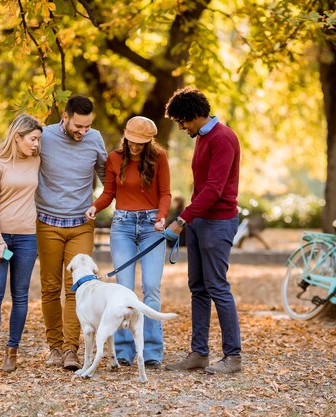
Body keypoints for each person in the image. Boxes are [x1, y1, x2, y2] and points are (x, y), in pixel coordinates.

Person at [0, 96, 107, 371]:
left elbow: (107, 178)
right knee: (50, 288)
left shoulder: (95, 139)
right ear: (64, 117)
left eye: (87, 126)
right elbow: (15, 158)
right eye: (78, 126)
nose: (83, 132)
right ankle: (54, 348)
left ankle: (71, 350)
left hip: (81, 225)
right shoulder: (45, 138)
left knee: (78, 286)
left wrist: (97, 205)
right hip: (47, 223)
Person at [163, 87, 243, 374]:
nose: (182, 127)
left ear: (194, 115)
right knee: (198, 288)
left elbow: (214, 189)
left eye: (182, 121)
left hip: (218, 222)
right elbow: (201, 188)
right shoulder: (204, 136)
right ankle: (199, 353)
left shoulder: (223, 137)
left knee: (218, 287)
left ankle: (233, 357)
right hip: (199, 222)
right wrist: (190, 220)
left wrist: (182, 219)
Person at [85, 116, 171, 369]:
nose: (135, 146)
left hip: (151, 227)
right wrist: (95, 207)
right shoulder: (115, 158)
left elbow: (165, 193)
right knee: (123, 290)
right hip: (122, 225)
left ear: (149, 142)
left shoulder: (159, 157)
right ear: (126, 136)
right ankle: (123, 350)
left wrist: (161, 217)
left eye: (140, 143)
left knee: (151, 288)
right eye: (131, 141)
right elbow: (109, 193)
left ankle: (152, 349)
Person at [0, 114, 43, 373]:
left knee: (21, 296)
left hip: (28, 238)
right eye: (32, 139)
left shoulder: (38, 160)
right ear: (17, 137)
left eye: (39, 139)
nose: (36, 144)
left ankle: (12, 352)